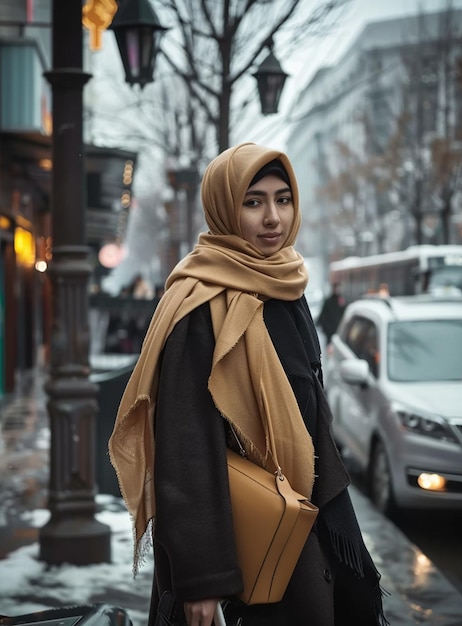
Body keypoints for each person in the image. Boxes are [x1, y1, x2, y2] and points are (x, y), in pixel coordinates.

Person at [108, 143, 387, 626]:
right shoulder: (199, 301)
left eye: (283, 199)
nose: (273, 217)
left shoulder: (288, 285)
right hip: (241, 542)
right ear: (223, 207)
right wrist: (201, 580)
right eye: (253, 201)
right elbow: (185, 445)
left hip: (308, 514)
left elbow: (311, 410)